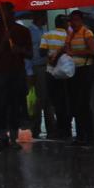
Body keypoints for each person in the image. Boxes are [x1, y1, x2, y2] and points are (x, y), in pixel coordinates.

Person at [0, 2, 32, 148]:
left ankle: (14, 137)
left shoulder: (23, 31)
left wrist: (19, 50)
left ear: (11, 13)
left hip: (17, 71)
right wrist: (4, 40)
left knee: (15, 104)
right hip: (1, 71)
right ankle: (2, 136)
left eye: (1, 12)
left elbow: (30, 54)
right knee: (1, 104)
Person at [64, 10, 94, 146]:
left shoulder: (87, 33)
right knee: (75, 104)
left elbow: (92, 51)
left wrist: (74, 52)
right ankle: (80, 135)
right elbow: (66, 48)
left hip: (85, 69)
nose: (73, 23)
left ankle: (89, 135)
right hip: (73, 71)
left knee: (84, 103)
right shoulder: (70, 34)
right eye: (71, 20)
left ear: (81, 20)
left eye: (76, 20)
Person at [40, 14, 71, 140]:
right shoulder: (70, 36)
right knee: (66, 101)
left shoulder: (47, 35)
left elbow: (41, 52)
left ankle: (60, 128)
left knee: (55, 101)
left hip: (51, 72)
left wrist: (51, 55)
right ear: (65, 24)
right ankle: (67, 129)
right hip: (66, 72)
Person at [28, 11, 55, 139]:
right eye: (43, 16)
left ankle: (51, 128)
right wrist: (29, 71)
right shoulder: (30, 32)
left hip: (46, 66)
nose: (45, 18)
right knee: (40, 98)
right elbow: (29, 53)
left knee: (47, 98)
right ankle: (36, 127)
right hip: (37, 67)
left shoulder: (44, 31)